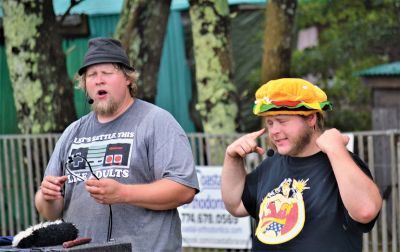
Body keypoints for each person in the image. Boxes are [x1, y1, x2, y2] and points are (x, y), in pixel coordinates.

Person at [35, 37, 199, 251]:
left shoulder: (156, 121)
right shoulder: (72, 132)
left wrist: (123, 193)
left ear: (128, 79)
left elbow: (183, 189)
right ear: (84, 85)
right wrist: (47, 196)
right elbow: (50, 211)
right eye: (91, 75)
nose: (98, 80)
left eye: (107, 73)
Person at [221, 78, 382, 251]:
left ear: (311, 118)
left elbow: (366, 210)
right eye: (270, 123)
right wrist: (232, 158)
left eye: (282, 121)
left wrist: (335, 149)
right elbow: (236, 205)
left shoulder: (341, 163)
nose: (274, 131)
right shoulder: (271, 165)